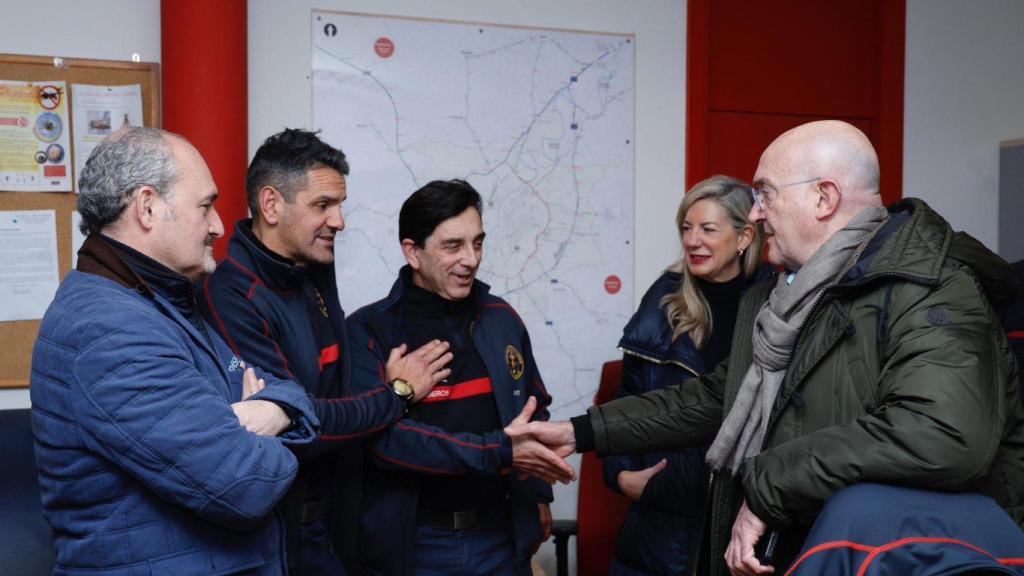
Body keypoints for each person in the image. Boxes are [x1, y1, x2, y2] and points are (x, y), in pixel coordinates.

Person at [507, 120, 1024, 575]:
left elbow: (943, 434)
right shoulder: (788, 297)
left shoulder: (932, 288)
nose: (753, 215)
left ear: (824, 197)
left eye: (766, 193)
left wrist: (768, 484)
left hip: (896, 555)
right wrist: (580, 432)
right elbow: (716, 397)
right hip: (799, 548)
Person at [31, 126, 320, 575]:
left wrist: (267, 411)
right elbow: (248, 484)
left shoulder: (163, 302)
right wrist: (251, 421)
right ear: (148, 207)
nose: (219, 225)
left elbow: (292, 393)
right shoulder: (109, 329)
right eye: (205, 206)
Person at [199, 128, 452, 575]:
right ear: (272, 204)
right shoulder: (231, 294)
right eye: (322, 206)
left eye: (339, 206)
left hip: (337, 519)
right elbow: (299, 427)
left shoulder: (311, 264)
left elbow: (333, 394)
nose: (339, 221)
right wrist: (396, 394)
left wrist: (375, 392)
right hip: (280, 538)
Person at [346, 179, 574, 576]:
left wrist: (538, 495)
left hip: (501, 538)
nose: (471, 259)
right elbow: (384, 441)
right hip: (415, 544)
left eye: (478, 242)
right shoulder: (370, 331)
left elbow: (533, 409)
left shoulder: (502, 318)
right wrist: (499, 451)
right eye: (453, 246)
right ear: (412, 252)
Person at [604, 175, 767, 575]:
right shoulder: (665, 299)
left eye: (708, 229)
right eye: (687, 228)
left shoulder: (775, 300)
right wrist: (622, 475)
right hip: (663, 526)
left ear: (744, 236)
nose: (693, 240)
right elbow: (627, 399)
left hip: (746, 518)